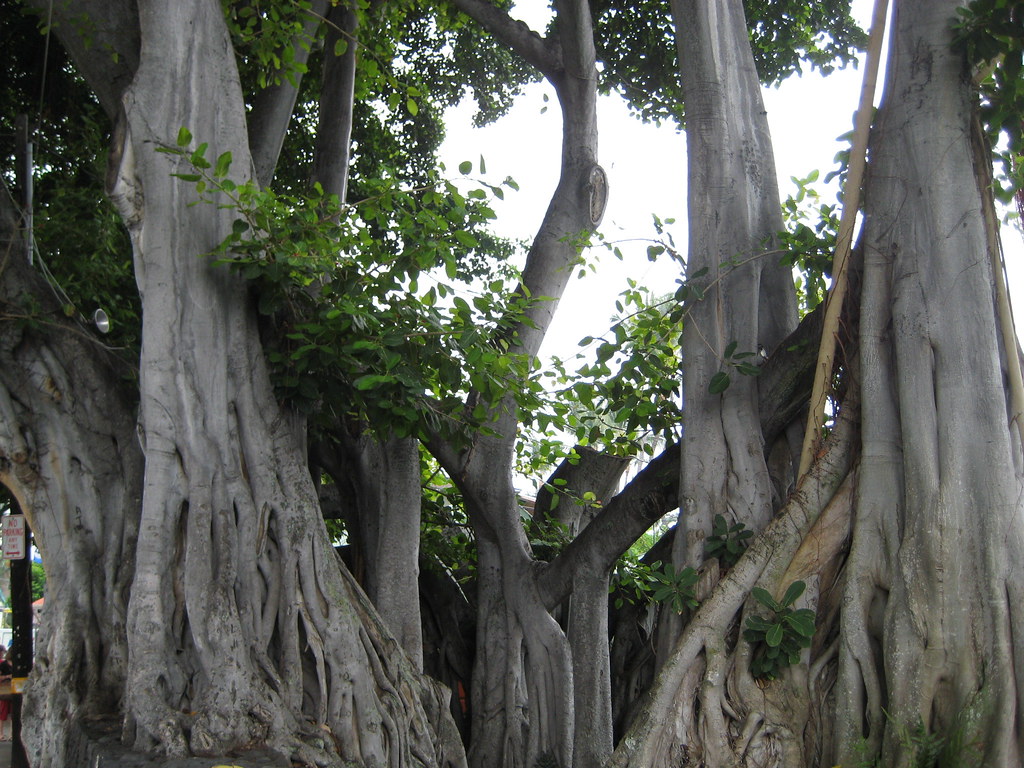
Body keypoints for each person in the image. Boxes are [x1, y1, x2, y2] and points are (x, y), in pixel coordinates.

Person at [0, 645, 11, 741]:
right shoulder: (3, 664)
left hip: (13, 688)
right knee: (3, 711)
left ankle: (11, 734)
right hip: (5, 688)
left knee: (13, 711)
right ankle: (1, 734)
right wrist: (8, 676)